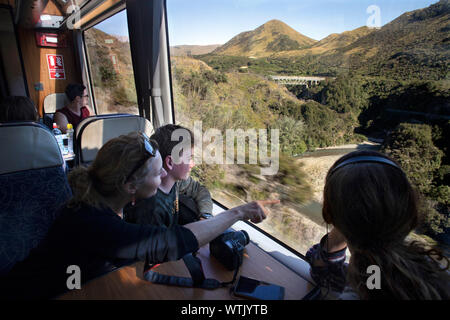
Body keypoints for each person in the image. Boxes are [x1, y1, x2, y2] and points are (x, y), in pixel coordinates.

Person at [0, 132, 276, 299]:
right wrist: (238, 212)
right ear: (130, 186)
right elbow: (168, 243)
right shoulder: (91, 223)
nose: (165, 176)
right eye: (158, 173)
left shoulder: (107, 198)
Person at [305, 150, 449, 300]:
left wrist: (341, 223)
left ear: (328, 215)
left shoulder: (367, 285)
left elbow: (324, 274)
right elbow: (327, 276)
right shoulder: (431, 268)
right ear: (410, 213)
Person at [125, 124, 213, 227]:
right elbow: (163, 241)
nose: (193, 164)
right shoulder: (151, 209)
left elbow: (199, 189)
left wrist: (205, 216)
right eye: (189, 158)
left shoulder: (177, 182)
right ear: (170, 162)